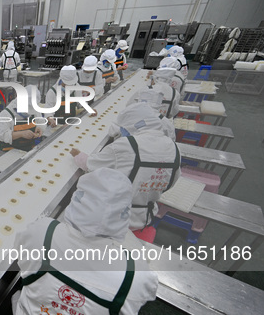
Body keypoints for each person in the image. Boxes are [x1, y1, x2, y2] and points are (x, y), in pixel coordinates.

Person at [10, 168, 158, 315]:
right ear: (124, 213)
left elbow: (20, 252)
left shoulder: (41, 234)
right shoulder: (137, 275)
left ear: (77, 199)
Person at [71, 103, 181, 242]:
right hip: (145, 217)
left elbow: (90, 164)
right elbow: (171, 182)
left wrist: (76, 154)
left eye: (123, 127)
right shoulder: (174, 148)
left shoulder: (126, 145)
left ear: (131, 125)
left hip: (113, 219)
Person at [0, 85, 45, 151]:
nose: (28, 113)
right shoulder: (6, 114)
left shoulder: (34, 110)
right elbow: (2, 135)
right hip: (10, 151)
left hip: (28, 149)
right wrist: (21, 134)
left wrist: (40, 127)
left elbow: (41, 122)